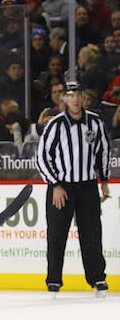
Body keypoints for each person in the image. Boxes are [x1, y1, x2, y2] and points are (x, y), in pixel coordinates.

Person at [35, 81, 111, 298]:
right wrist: (55, 184)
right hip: (62, 187)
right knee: (57, 235)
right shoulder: (55, 124)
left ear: (83, 97)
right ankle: (54, 281)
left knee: (92, 233)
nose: (76, 99)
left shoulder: (95, 122)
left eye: (79, 94)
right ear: (65, 100)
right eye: (71, 95)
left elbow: (103, 152)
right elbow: (41, 157)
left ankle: (97, 277)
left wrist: (103, 181)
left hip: (87, 186)